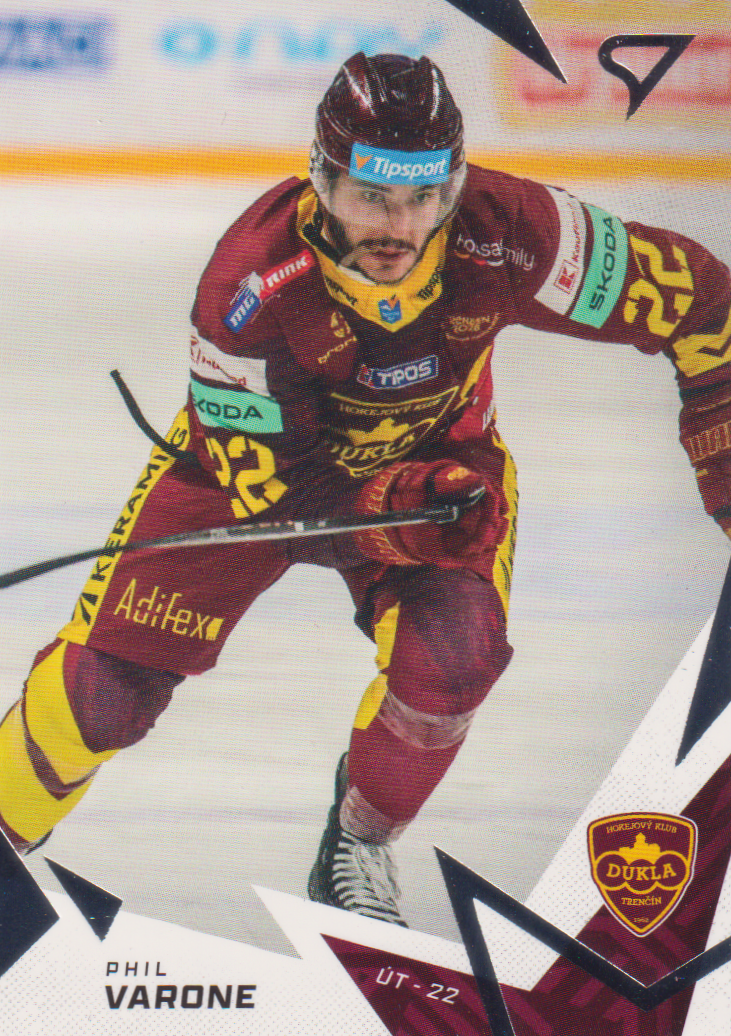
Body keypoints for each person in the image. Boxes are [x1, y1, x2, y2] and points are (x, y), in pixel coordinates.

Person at [1, 52, 730, 927]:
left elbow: (703, 301)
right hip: (248, 481)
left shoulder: (512, 228)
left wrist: (721, 447)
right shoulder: (247, 286)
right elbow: (278, 505)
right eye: (371, 196)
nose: (399, 225)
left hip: (441, 478)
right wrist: (396, 508)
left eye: (424, 197)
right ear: (322, 180)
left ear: (454, 185)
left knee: (453, 662)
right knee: (104, 695)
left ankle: (358, 843)